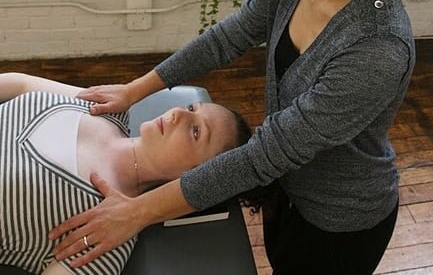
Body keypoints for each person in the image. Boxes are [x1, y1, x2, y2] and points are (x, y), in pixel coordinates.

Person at [50, 0, 426, 273]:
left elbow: (264, 154)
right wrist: (134, 90)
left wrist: (136, 212)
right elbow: (226, 38)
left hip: (338, 221)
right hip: (285, 191)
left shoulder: (377, 46)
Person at [0, 72, 251, 275]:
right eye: (191, 108)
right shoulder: (111, 108)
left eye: (195, 131)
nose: (178, 114)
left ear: (196, 177)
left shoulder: (106, 235)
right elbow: (22, 85)